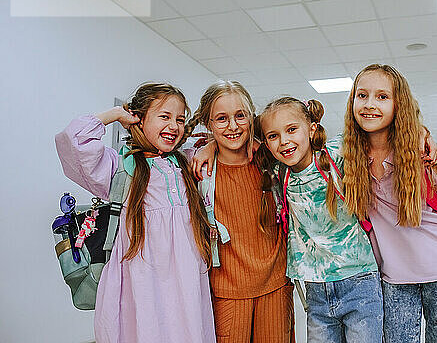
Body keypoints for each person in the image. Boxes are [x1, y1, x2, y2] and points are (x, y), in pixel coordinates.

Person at [55, 83, 216, 342]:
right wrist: (117, 115)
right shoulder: (119, 167)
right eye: (164, 116)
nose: (174, 126)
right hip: (141, 278)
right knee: (146, 329)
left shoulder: (185, 163)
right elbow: (73, 141)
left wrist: (211, 147)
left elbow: (229, 146)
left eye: (180, 119)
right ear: (139, 119)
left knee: (187, 330)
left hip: (186, 276)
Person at [342, 64, 437, 343]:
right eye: (362, 95)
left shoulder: (422, 155)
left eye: (382, 97)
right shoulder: (349, 157)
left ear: (398, 104)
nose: (370, 104)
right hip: (393, 277)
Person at [258, 97, 383, 343]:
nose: (284, 141)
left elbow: (376, 132)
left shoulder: (335, 154)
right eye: (273, 136)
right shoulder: (278, 171)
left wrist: (422, 133)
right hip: (316, 288)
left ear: (312, 128)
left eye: (292, 129)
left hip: (358, 281)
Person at [184, 80, 293, 342]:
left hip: (276, 285)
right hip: (227, 290)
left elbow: (298, 134)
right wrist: (209, 145)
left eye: (240, 116)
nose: (232, 126)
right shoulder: (199, 170)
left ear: (251, 118)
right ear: (208, 124)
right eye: (221, 119)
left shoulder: (272, 161)